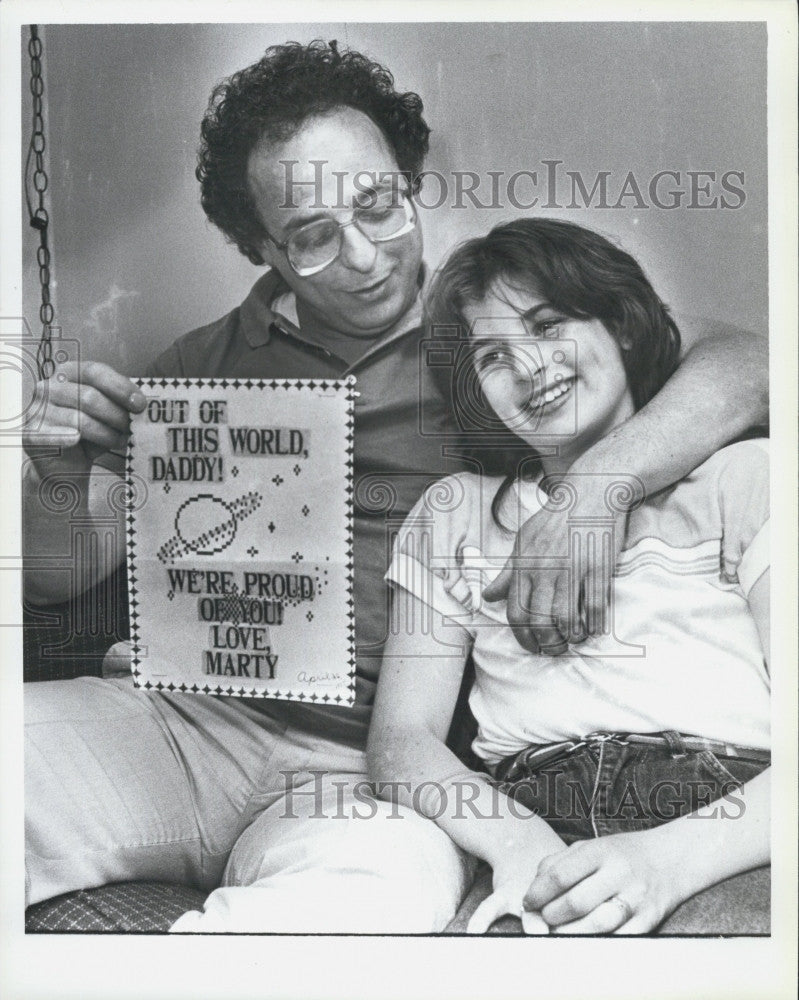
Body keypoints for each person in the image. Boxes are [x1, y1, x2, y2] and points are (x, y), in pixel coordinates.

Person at [23, 41, 768, 933]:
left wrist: (595, 488)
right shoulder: (201, 365)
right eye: (311, 236)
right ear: (258, 244)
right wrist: (60, 475)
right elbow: (60, 576)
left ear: (408, 181)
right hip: (180, 722)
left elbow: (748, 365)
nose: (366, 255)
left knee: (385, 897)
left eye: (379, 205)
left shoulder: (495, 326)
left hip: (365, 772)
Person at [367, 217, 770, 934]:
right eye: (492, 356)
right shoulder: (455, 511)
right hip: (529, 828)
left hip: (718, 830)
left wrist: (665, 863)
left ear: (619, 324)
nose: (529, 368)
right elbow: (401, 741)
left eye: (548, 323)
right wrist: (514, 842)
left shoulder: (744, 478)